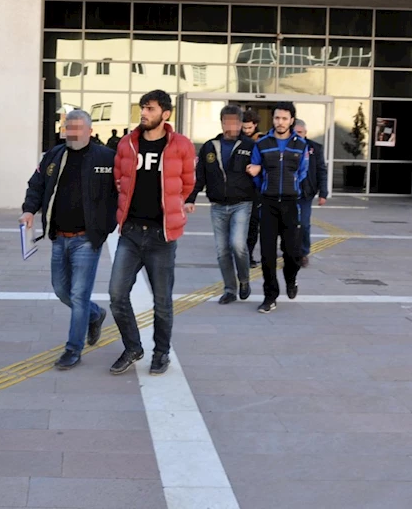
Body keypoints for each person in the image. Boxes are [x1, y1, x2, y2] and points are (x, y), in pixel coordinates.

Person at [20, 110, 118, 370]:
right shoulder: (54, 155)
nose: (72, 133)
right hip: (59, 237)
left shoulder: (106, 157)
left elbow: (119, 193)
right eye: (68, 128)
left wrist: (106, 226)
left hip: (87, 239)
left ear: (90, 130)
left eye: (77, 128)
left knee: (78, 294)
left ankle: (73, 349)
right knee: (62, 290)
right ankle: (95, 315)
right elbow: (36, 185)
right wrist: (29, 210)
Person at [108, 90, 195, 376]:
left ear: (165, 114)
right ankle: (133, 347)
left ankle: (161, 353)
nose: (144, 113)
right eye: (142, 107)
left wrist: (170, 210)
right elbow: (119, 178)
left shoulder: (181, 145)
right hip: (130, 233)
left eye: (150, 108)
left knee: (162, 303)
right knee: (117, 294)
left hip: (162, 236)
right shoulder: (127, 143)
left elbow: (186, 185)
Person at [186, 105, 256, 304]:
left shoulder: (250, 146)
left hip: (242, 203)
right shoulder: (210, 146)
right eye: (227, 121)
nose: (231, 126)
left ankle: (244, 280)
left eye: (235, 122)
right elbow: (200, 176)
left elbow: (261, 173)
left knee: (237, 244)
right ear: (222, 122)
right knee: (222, 250)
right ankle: (230, 289)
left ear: (241, 123)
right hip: (217, 206)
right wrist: (190, 198)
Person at [247, 102, 308, 314]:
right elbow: (255, 171)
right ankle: (269, 296)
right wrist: (264, 184)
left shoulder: (300, 145)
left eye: (284, 118)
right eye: (276, 118)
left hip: (291, 204)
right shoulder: (262, 143)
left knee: (292, 253)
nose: (280, 122)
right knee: (267, 255)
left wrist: (292, 187)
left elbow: (302, 173)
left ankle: (291, 279)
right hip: (269, 203)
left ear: (291, 120)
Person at [294, 120, 328, 267]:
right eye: (295, 133)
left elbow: (321, 170)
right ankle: (289, 250)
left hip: (306, 192)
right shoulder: (285, 147)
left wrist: (323, 193)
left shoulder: (315, 148)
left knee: (304, 224)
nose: (298, 136)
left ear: (305, 133)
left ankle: (303, 252)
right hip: (287, 192)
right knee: (288, 224)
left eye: (300, 133)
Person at [241, 109, 263, 268]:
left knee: (253, 225)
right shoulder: (237, 139)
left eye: (249, 128)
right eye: (244, 128)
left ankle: (248, 255)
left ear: (255, 125)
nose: (247, 131)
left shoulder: (262, 140)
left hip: (256, 188)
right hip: (240, 187)